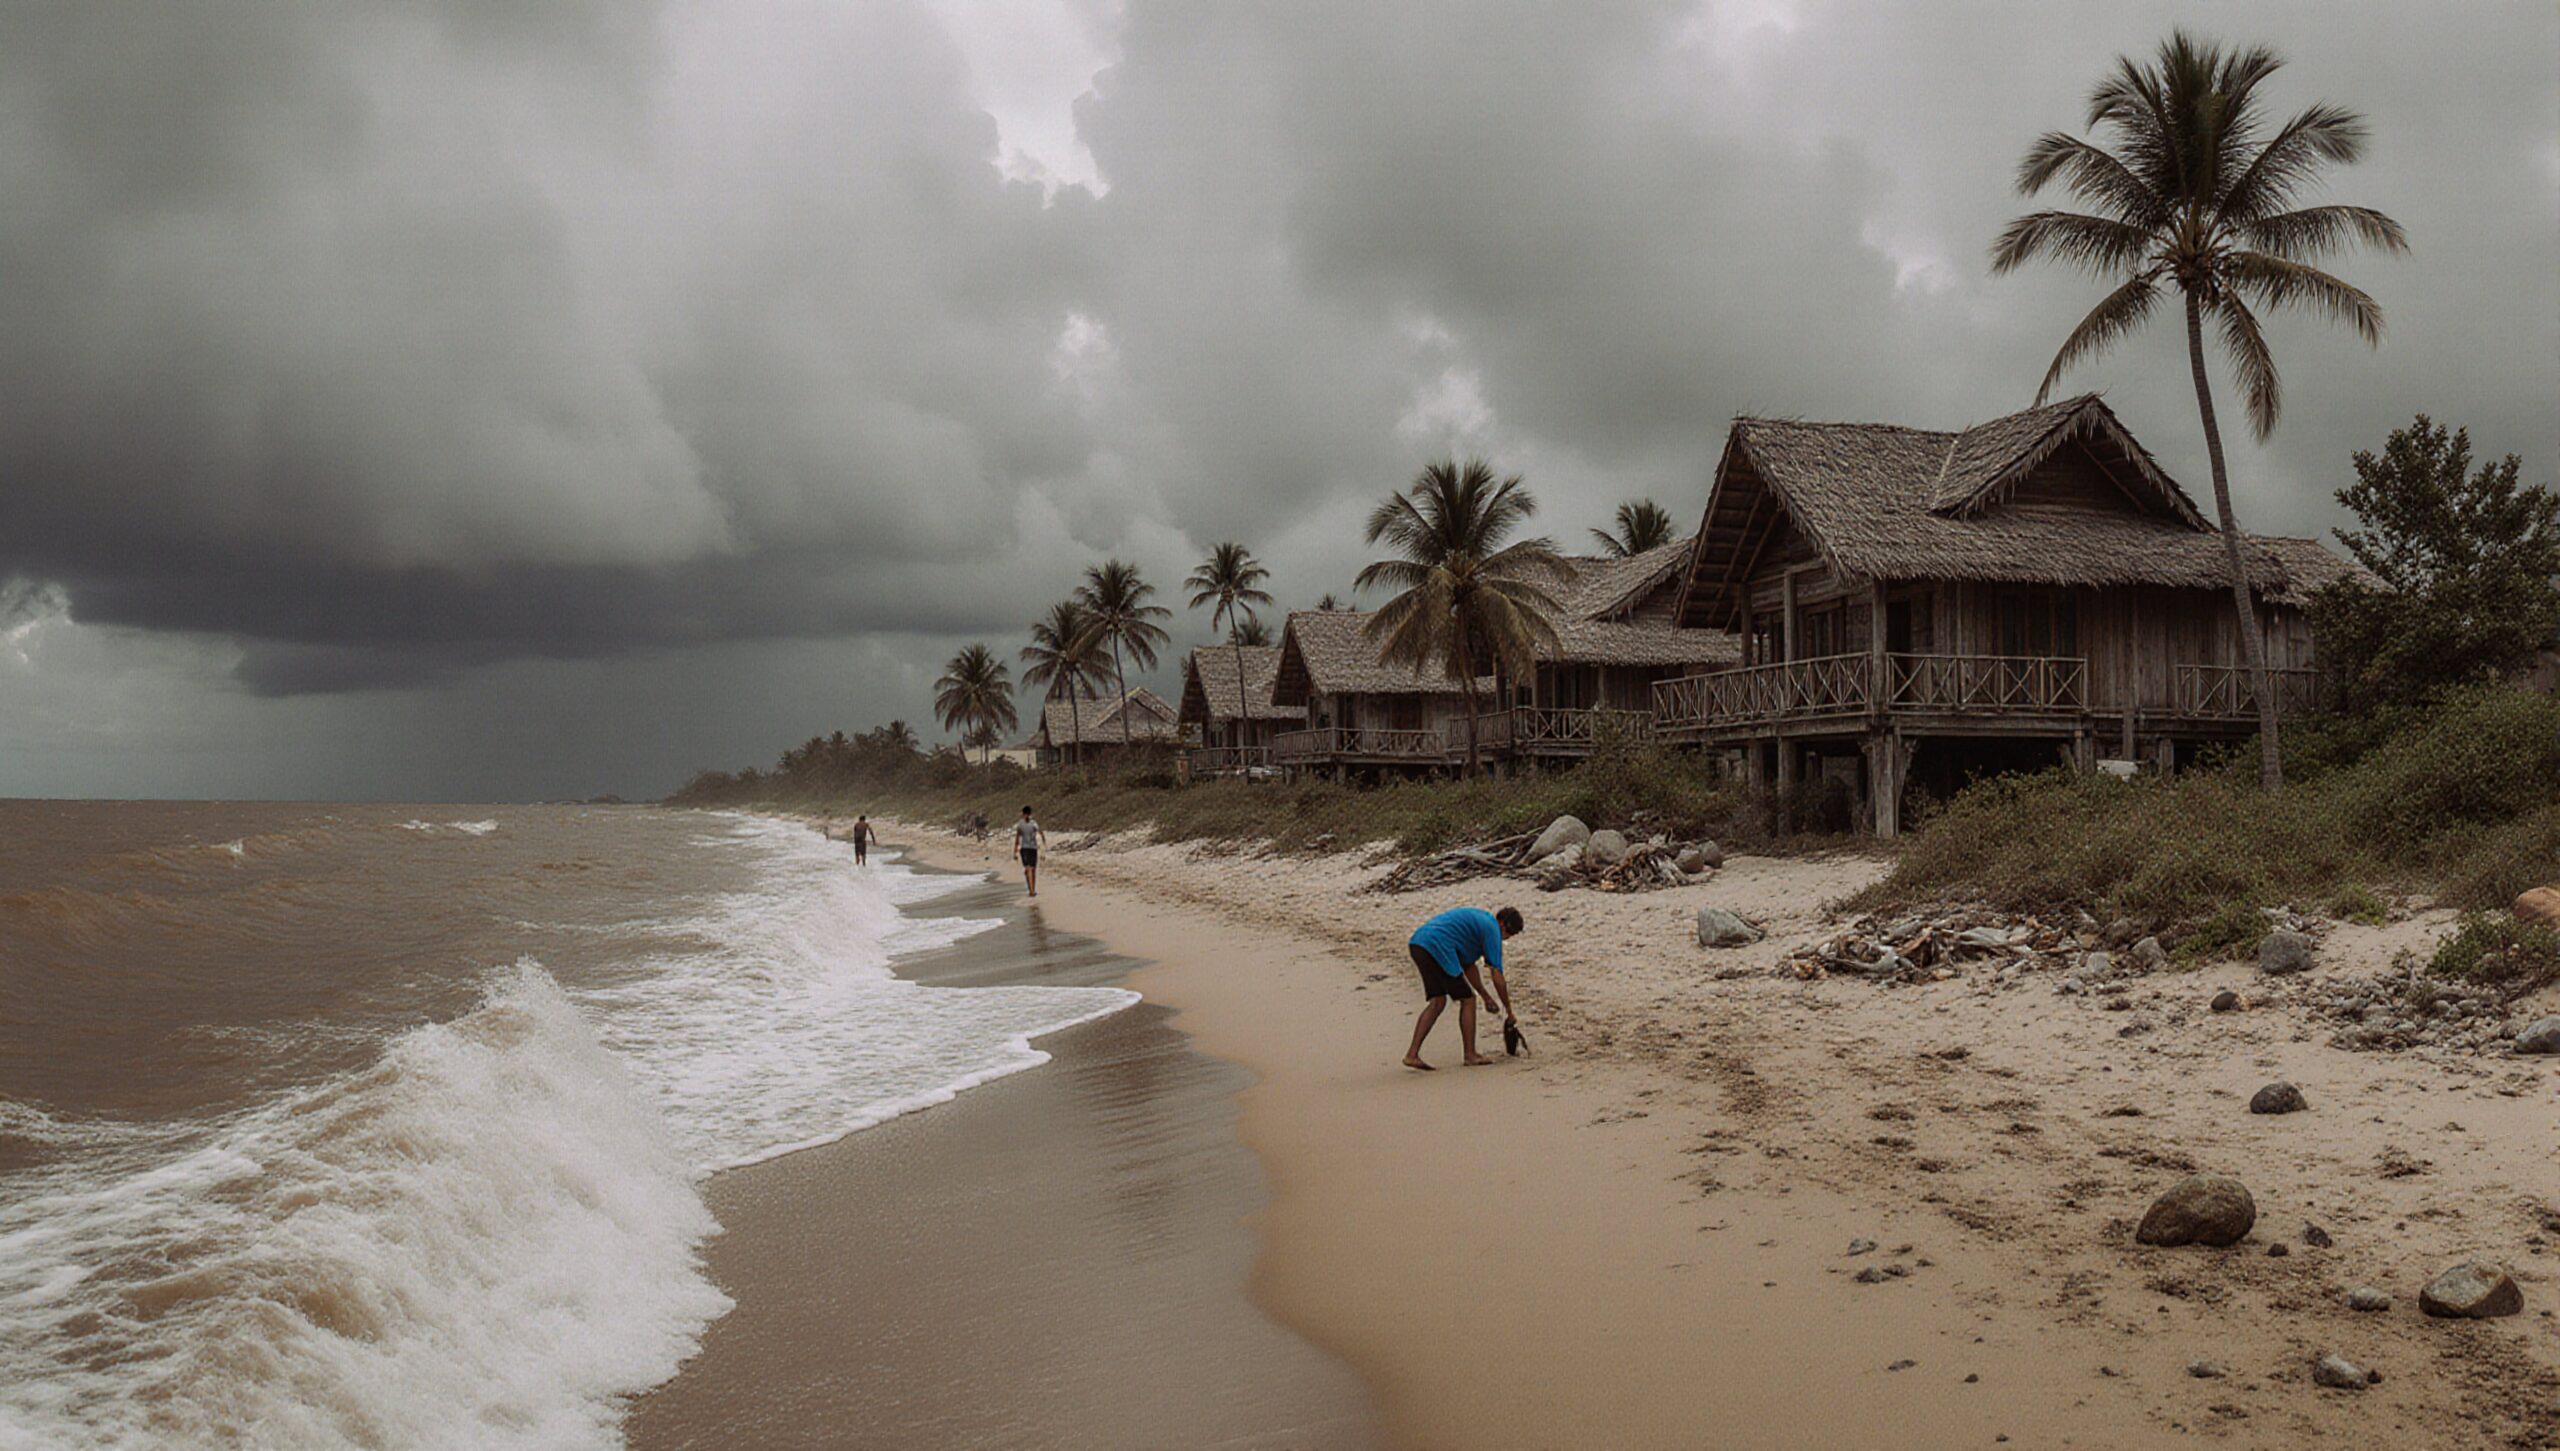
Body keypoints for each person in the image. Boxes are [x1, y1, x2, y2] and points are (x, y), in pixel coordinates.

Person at [1403, 905, 1522, 1070]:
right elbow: (1497, 976)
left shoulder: (1477, 925)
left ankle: (1412, 1054)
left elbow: (1468, 966)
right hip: (1437, 945)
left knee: (1438, 1001)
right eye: (1510, 934)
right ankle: (1470, 1054)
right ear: (1503, 924)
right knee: (1468, 1000)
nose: (1506, 939)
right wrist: (1509, 1011)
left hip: (1419, 944)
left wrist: (1486, 997)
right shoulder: (1492, 928)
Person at [1012, 806, 1045, 897]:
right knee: (1030, 869)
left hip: (1032, 848)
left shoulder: (1033, 824)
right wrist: (1015, 851)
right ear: (1023, 814)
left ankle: (1032, 888)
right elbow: (1017, 838)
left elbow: (1040, 833)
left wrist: (1043, 847)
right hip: (1025, 848)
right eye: (1025, 814)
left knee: (1032, 869)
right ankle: (1032, 891)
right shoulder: (1020, 824)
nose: (1026, 816)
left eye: (1027, 814)